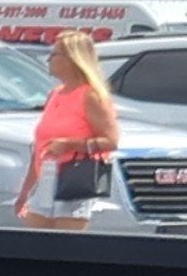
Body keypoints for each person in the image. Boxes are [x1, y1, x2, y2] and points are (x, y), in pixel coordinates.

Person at [21, 28, 119, 229]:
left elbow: (111, 141)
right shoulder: (55, 94)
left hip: (73, 181)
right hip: (45, 177)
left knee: (64, 245)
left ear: (72, 59)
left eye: (55, 54)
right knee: (32, 246)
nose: (49, 60)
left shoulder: (92, 96)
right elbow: (40, 145)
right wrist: (25, 191)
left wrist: (69, 145)